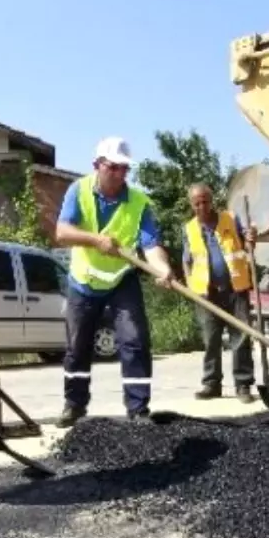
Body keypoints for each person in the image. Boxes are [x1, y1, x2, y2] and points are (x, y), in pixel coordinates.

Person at [54, 136, 174, 427]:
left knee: (135, 340)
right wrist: (96, 240)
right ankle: (74, 404)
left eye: (124, 169)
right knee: (78, 346)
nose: (120, 174)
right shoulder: (78, 190)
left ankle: (138, 408)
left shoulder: (139, 202)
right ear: (97, 165)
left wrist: (162, 268)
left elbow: (150, 245)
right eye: (114, 167)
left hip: (122, 280)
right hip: (84, 281)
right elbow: (62, 232)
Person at [182, 183, 258, 403]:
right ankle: (211, 384)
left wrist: (252, 239)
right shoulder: (189, 229)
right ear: (192, 205)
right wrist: (189, 285)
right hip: (206, 294)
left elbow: (248, 245)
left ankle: (243, 385)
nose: (202, 206)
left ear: (212, 200)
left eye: (205, 201)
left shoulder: (230, 219)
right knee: (211, 340)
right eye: (197, 203)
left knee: (241, 338)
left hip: (236, 289)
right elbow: (187, 260)